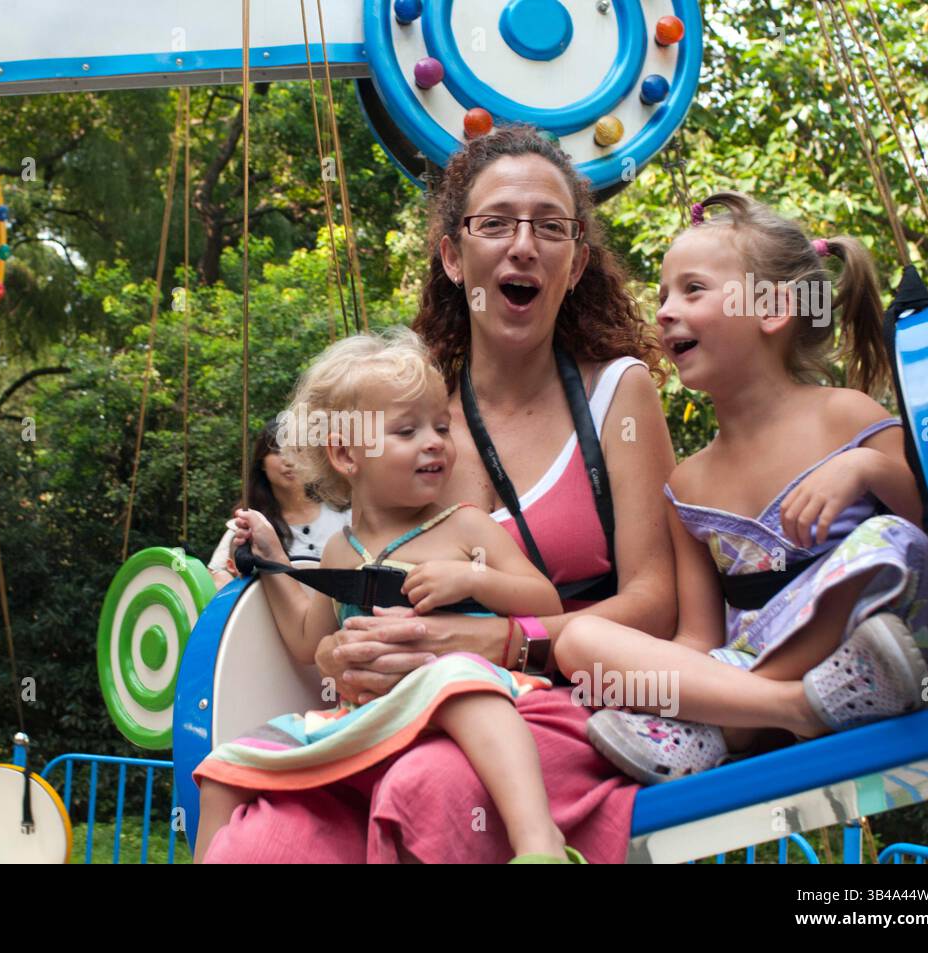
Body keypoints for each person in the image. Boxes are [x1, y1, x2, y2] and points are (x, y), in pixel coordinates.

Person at [203, 123, 678, 864]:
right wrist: (268, 576)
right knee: (261, 839)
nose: (523, 245)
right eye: (495, 223)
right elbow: (339, 596)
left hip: (552, 709)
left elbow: (657, 599)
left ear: (577, 260)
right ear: (453, 256)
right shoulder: (412, 431)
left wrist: (503, 638)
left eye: (550, 227)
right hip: (387, 717)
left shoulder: (618, 395)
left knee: (429, 791)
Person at [552, 192, 928, 784]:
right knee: (582, 640)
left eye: (693, 290)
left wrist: (865, 469)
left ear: (774, 309)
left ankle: (716, 723)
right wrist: (673, 679)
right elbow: (698, 637)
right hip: (760, 676)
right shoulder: (688, 483)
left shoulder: (845, 416)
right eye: (664, 296)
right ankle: (789, 705)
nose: (667, 311)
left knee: (889, 538)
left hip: (906, 658)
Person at [194, 328, 583, 864]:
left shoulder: (464, 527)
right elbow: (309, 643)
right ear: (346, 455)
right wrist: (275, 563)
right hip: (375, 713)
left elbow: (545, 600)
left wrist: (473, 580)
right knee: (225, 765)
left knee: (453, 677)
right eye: (408, 430)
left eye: (441, 427)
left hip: (462, 692)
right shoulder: (340, 549)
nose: (435, 442)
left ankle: (539, 845)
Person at [206, 419, 349, 589]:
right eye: (278, 450)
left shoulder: (346, 515)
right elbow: (214, 577)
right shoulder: (249, 524)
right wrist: (223, 578)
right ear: (262, 463)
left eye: (298, 450)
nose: (289, 460)